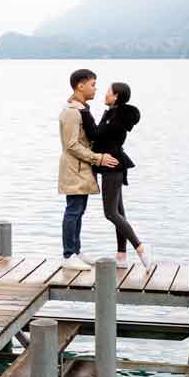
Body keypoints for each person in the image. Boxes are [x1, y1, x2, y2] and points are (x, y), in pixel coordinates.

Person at [58, 68, 117, 263]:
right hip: (74, 168)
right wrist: (97, 158)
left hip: (82, 168)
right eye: (92, 85)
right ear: (80, 86)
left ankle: (76, 251)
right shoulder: (71, 113)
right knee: (73, 210)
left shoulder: (81, 110)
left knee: (79, 210)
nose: (95, 89)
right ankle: (68, 255)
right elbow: (71, 144)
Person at [92, 82, 149, 268]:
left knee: (110, 213)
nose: (105, 93)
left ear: (116, 96)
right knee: (119, 212)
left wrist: (83, 114)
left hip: (113, 166)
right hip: (114, 166)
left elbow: (97, 133)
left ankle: (139, 247)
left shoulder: (116, 118)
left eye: (108, 91)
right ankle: (122, 257)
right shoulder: (112, 113)